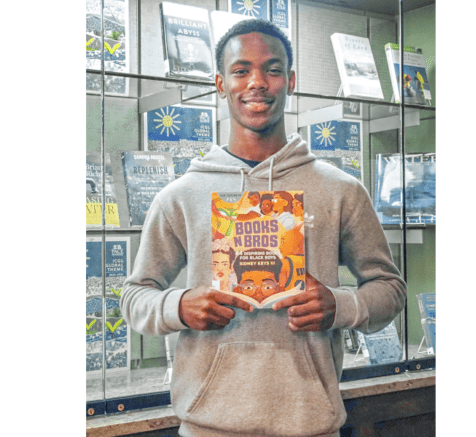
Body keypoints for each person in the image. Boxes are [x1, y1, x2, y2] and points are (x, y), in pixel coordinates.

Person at [121, 19, 406, 437]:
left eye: (272, 70)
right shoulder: (180, 195)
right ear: (221, 83)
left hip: (310, 423)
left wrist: (339, 306)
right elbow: (134, 296)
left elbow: (390, 290)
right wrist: (179, 306)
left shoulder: (341, 190)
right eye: (241, 71)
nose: (257, 82)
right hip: (207, 425)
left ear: (290, 81)